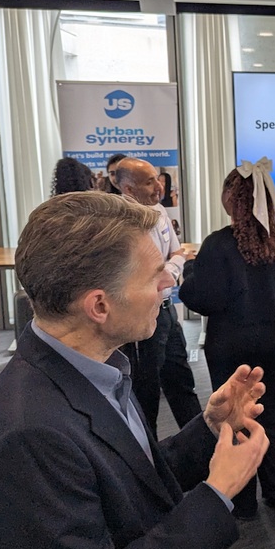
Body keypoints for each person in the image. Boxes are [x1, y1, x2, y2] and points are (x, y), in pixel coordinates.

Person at [0, 191, 269, 549]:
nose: (169, 282)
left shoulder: (94, 370)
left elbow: (126, 483)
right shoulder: (28, 435)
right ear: (99, 306)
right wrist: (217, 493)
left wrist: (207, 429)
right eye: (154, 274)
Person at [180, 161, 275, 516]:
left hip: (229, 345)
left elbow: (201, 297)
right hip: (272, 340)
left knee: (234, 416)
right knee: (272, 411)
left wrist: (189, 269)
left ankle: (242, 499)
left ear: (231, 198)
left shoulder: (218, 244)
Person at [112, 157, 201, 436]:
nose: (159, 187)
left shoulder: (160, 210)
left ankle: (203, 446)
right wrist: (174, 267)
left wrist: (169, 268)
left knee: (181, 380)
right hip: (141, 315)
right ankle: (146, 456)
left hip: (166, 310)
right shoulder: (120, 222)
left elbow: (177, 253)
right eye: (149, 182)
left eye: (158, 179)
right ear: (128, 189)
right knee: (146, 391)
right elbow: (150, 273)